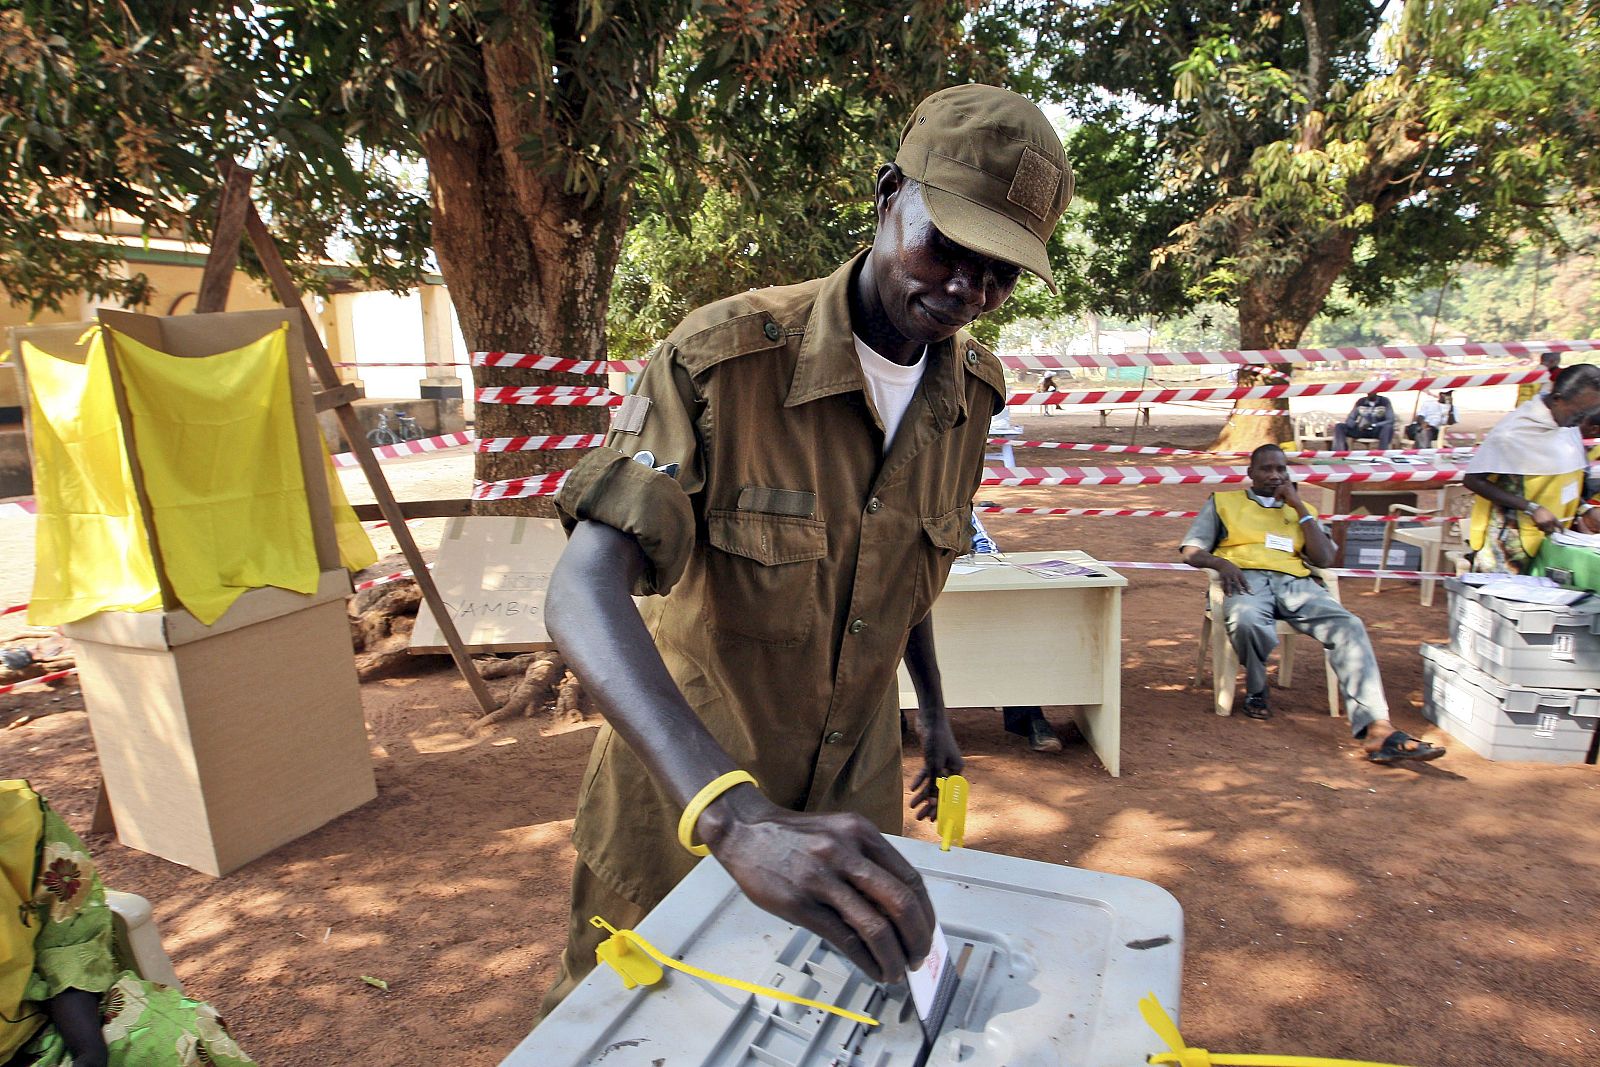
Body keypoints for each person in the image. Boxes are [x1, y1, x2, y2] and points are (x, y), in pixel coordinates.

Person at [539, 84, 1072, 1012]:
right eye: (948, 244)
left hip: (850, 804)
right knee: (634, 1025)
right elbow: (581, 591)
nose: (966, 289)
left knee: (818, 1020)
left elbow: (897, 578)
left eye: (1002, 272)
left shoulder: (970, 400)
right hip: (687, 804)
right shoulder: (722, 361)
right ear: (885, 193)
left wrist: (938, 717)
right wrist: (734, 815)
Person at [1179, 445, 1446, 764]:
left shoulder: (1301, 510)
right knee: (1247, 619)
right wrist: (1222, 565)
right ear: (1251, 473)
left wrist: (1299, 507)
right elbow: (1191, 550)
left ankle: (1378, 727)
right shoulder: (1224, 502)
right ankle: (1257, 685)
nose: (1275, 475)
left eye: (1281, 469)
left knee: (1350, 626)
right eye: (1266, 469)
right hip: (1245, 579)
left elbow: (1324, 558)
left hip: (1295, 583)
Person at [0, 780, 256, 1067]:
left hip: (38, 1028)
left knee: (181, 1038)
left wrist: (88, 1050)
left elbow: (69, 938)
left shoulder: (22, 818)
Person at [1463, 363, 1600, 572]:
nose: (1583, 421)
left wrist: (1585, 509)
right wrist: (1531, 508)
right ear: (1557, 400)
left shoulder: (1567, 427)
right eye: (1580, 413)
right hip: (1508, 546)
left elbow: (1560, 480)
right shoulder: (1513, 432)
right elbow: (1473, 480)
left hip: (1553, 539)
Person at [1331, 392, 1396, 450]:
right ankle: (1340, 452)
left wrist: (1375, 425)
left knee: (1388, 427)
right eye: (1369, 392)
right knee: (1339, 426)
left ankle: (1382, 453)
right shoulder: (1360, 402)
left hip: (1377, 430)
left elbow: (1390, 420)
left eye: (1373, 391)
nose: (1370, 393)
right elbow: (1351, 417)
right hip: (1361, 430)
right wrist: (1355, 425)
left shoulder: (1384, 401)